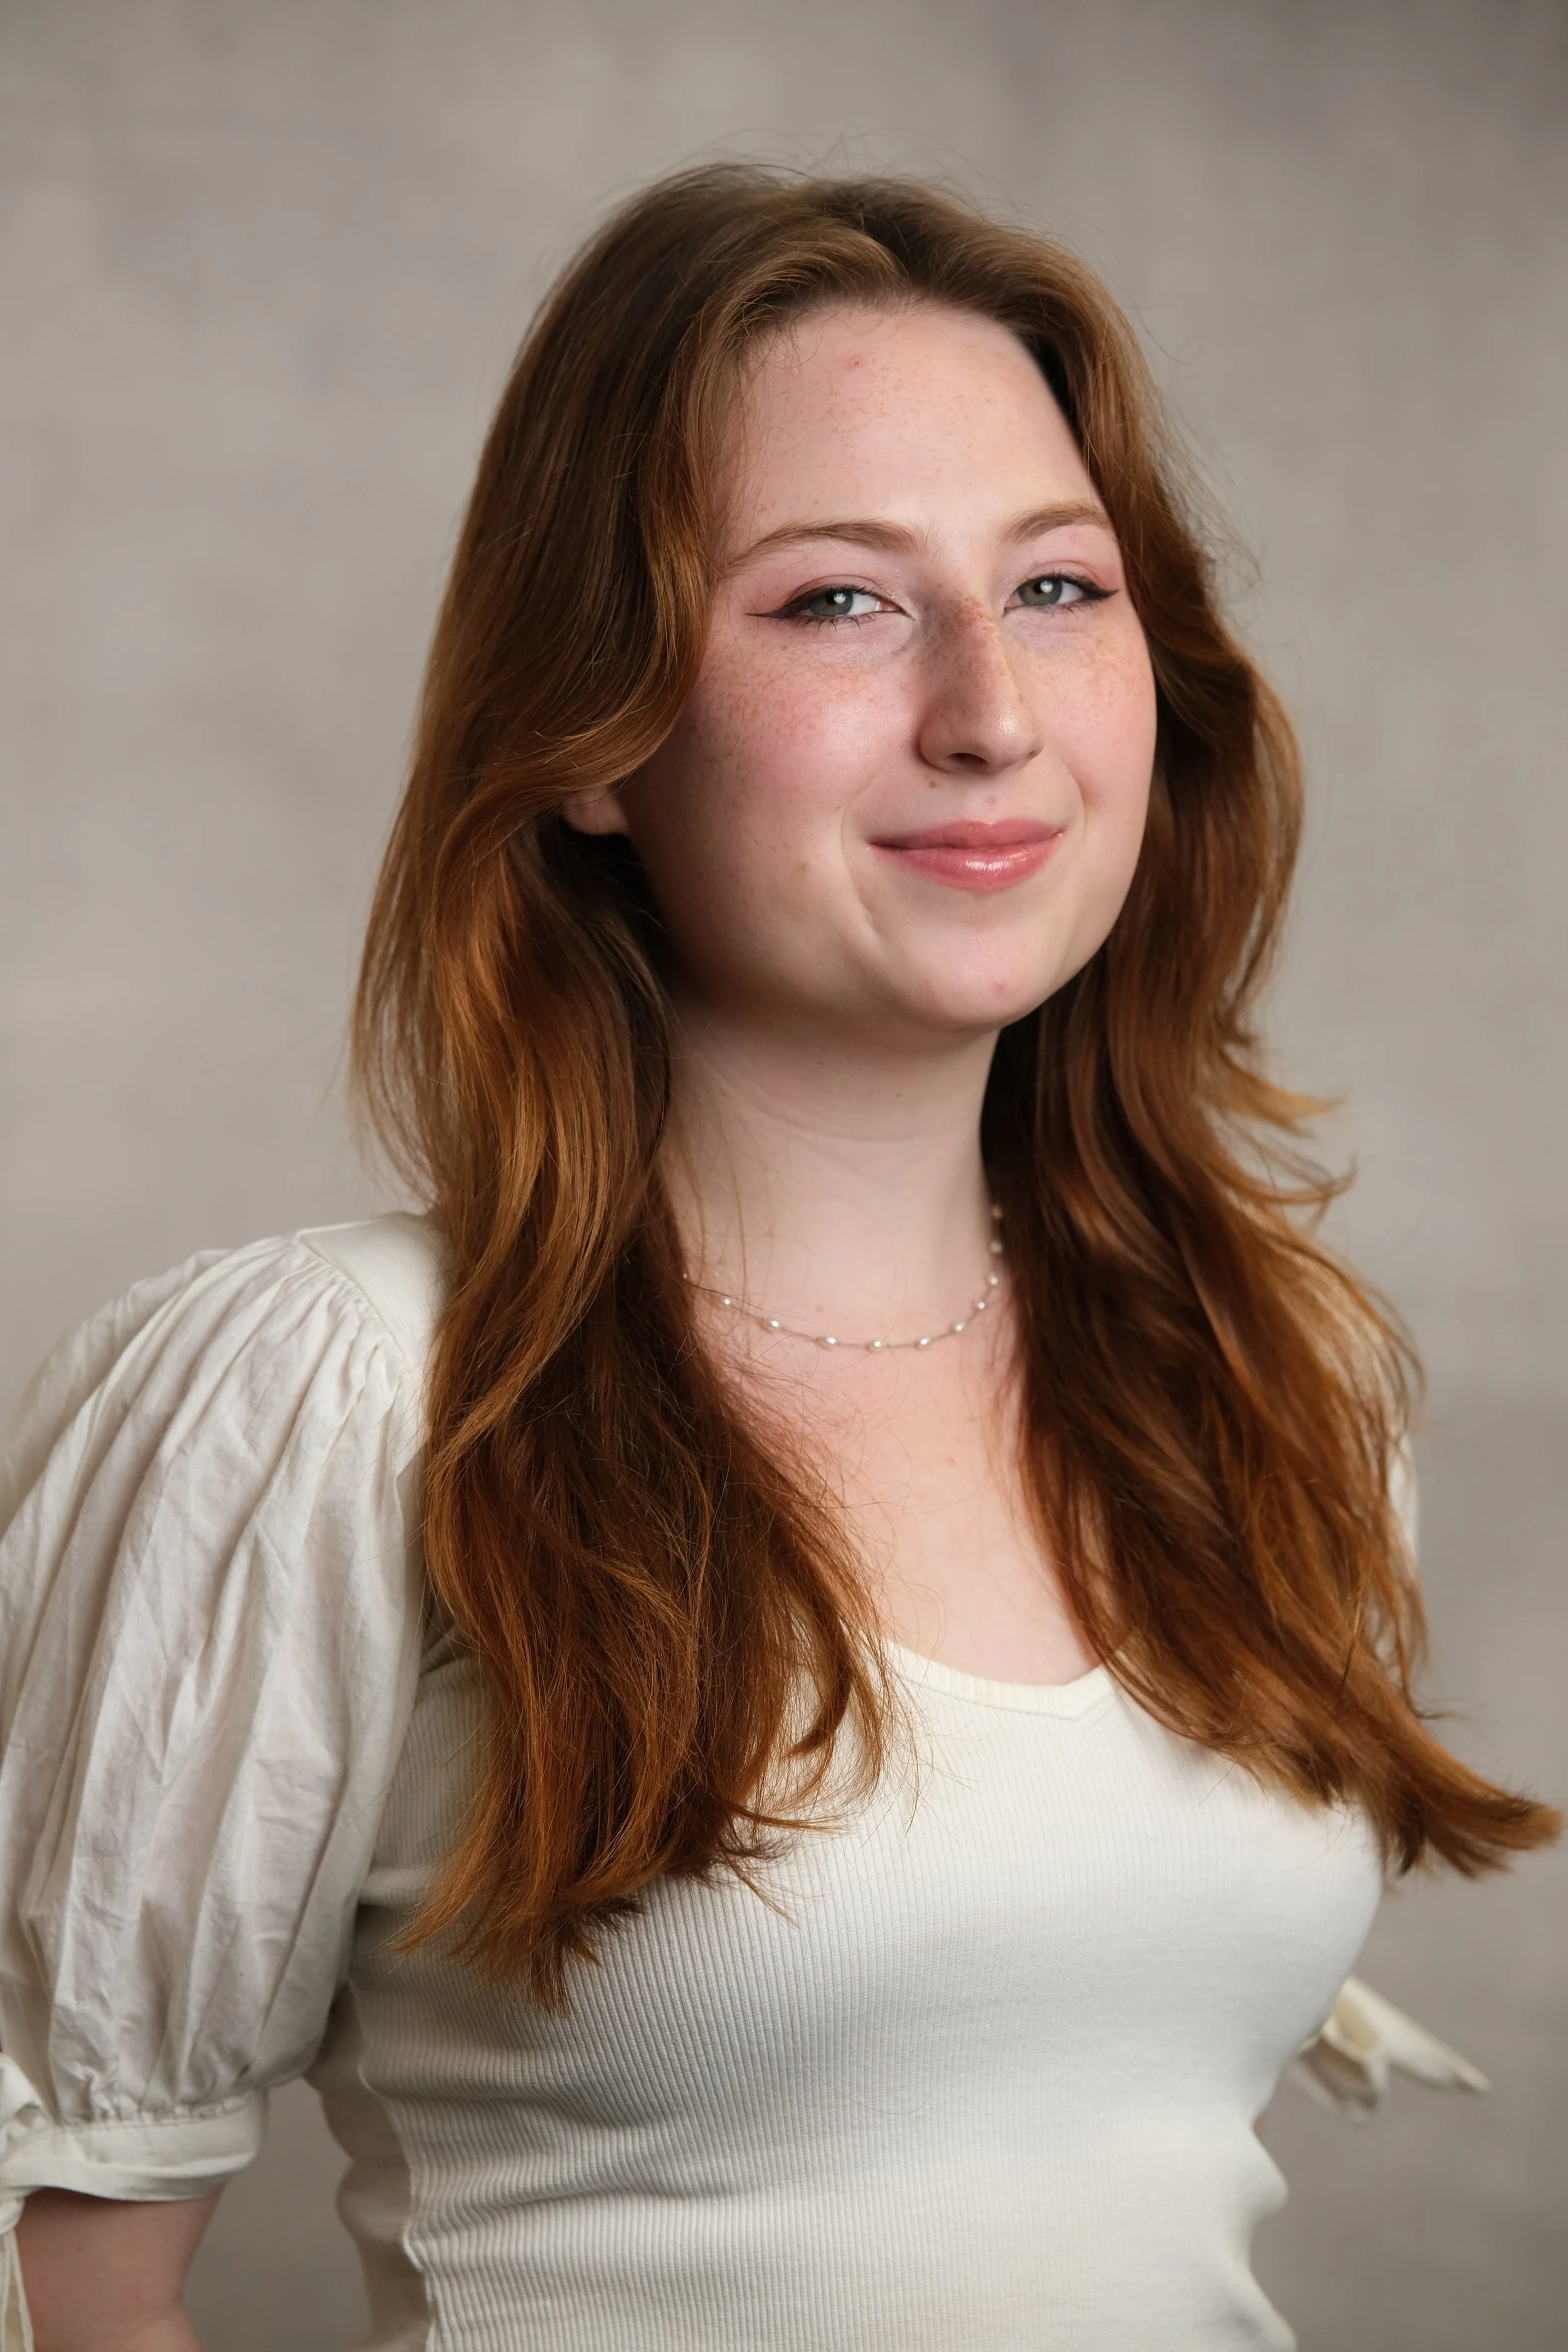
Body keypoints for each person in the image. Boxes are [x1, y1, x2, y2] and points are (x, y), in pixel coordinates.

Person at [0, 164, 1556, 2352]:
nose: (989, 711)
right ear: (595, 736)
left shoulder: (1271, 1376)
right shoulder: (337, 1398)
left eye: (1057, 584)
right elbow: (63, 2276)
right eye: (836, 601)